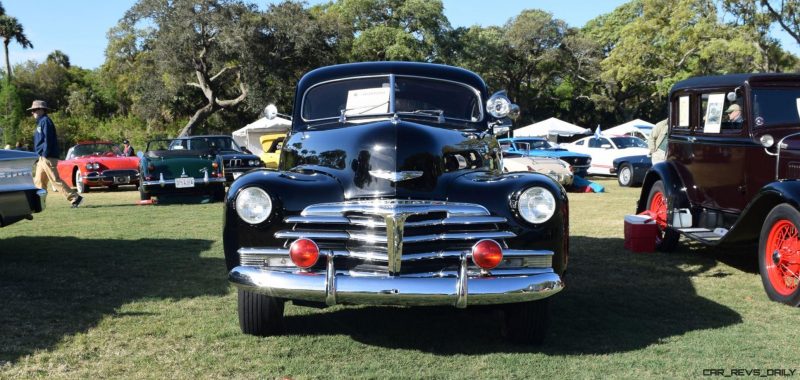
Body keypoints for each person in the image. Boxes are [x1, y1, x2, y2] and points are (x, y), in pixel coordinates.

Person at [29, 100, 83, 208]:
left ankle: (75, 198)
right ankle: (38, 203)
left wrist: (45, 154)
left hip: (47, 156)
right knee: (39, 181)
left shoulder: (45, 121)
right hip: (42, 157)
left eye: (34, 110)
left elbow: (48, 140)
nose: (32, 112)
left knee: (55, 180)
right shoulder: (41, 122)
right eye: (32, 110)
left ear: (41, 110)